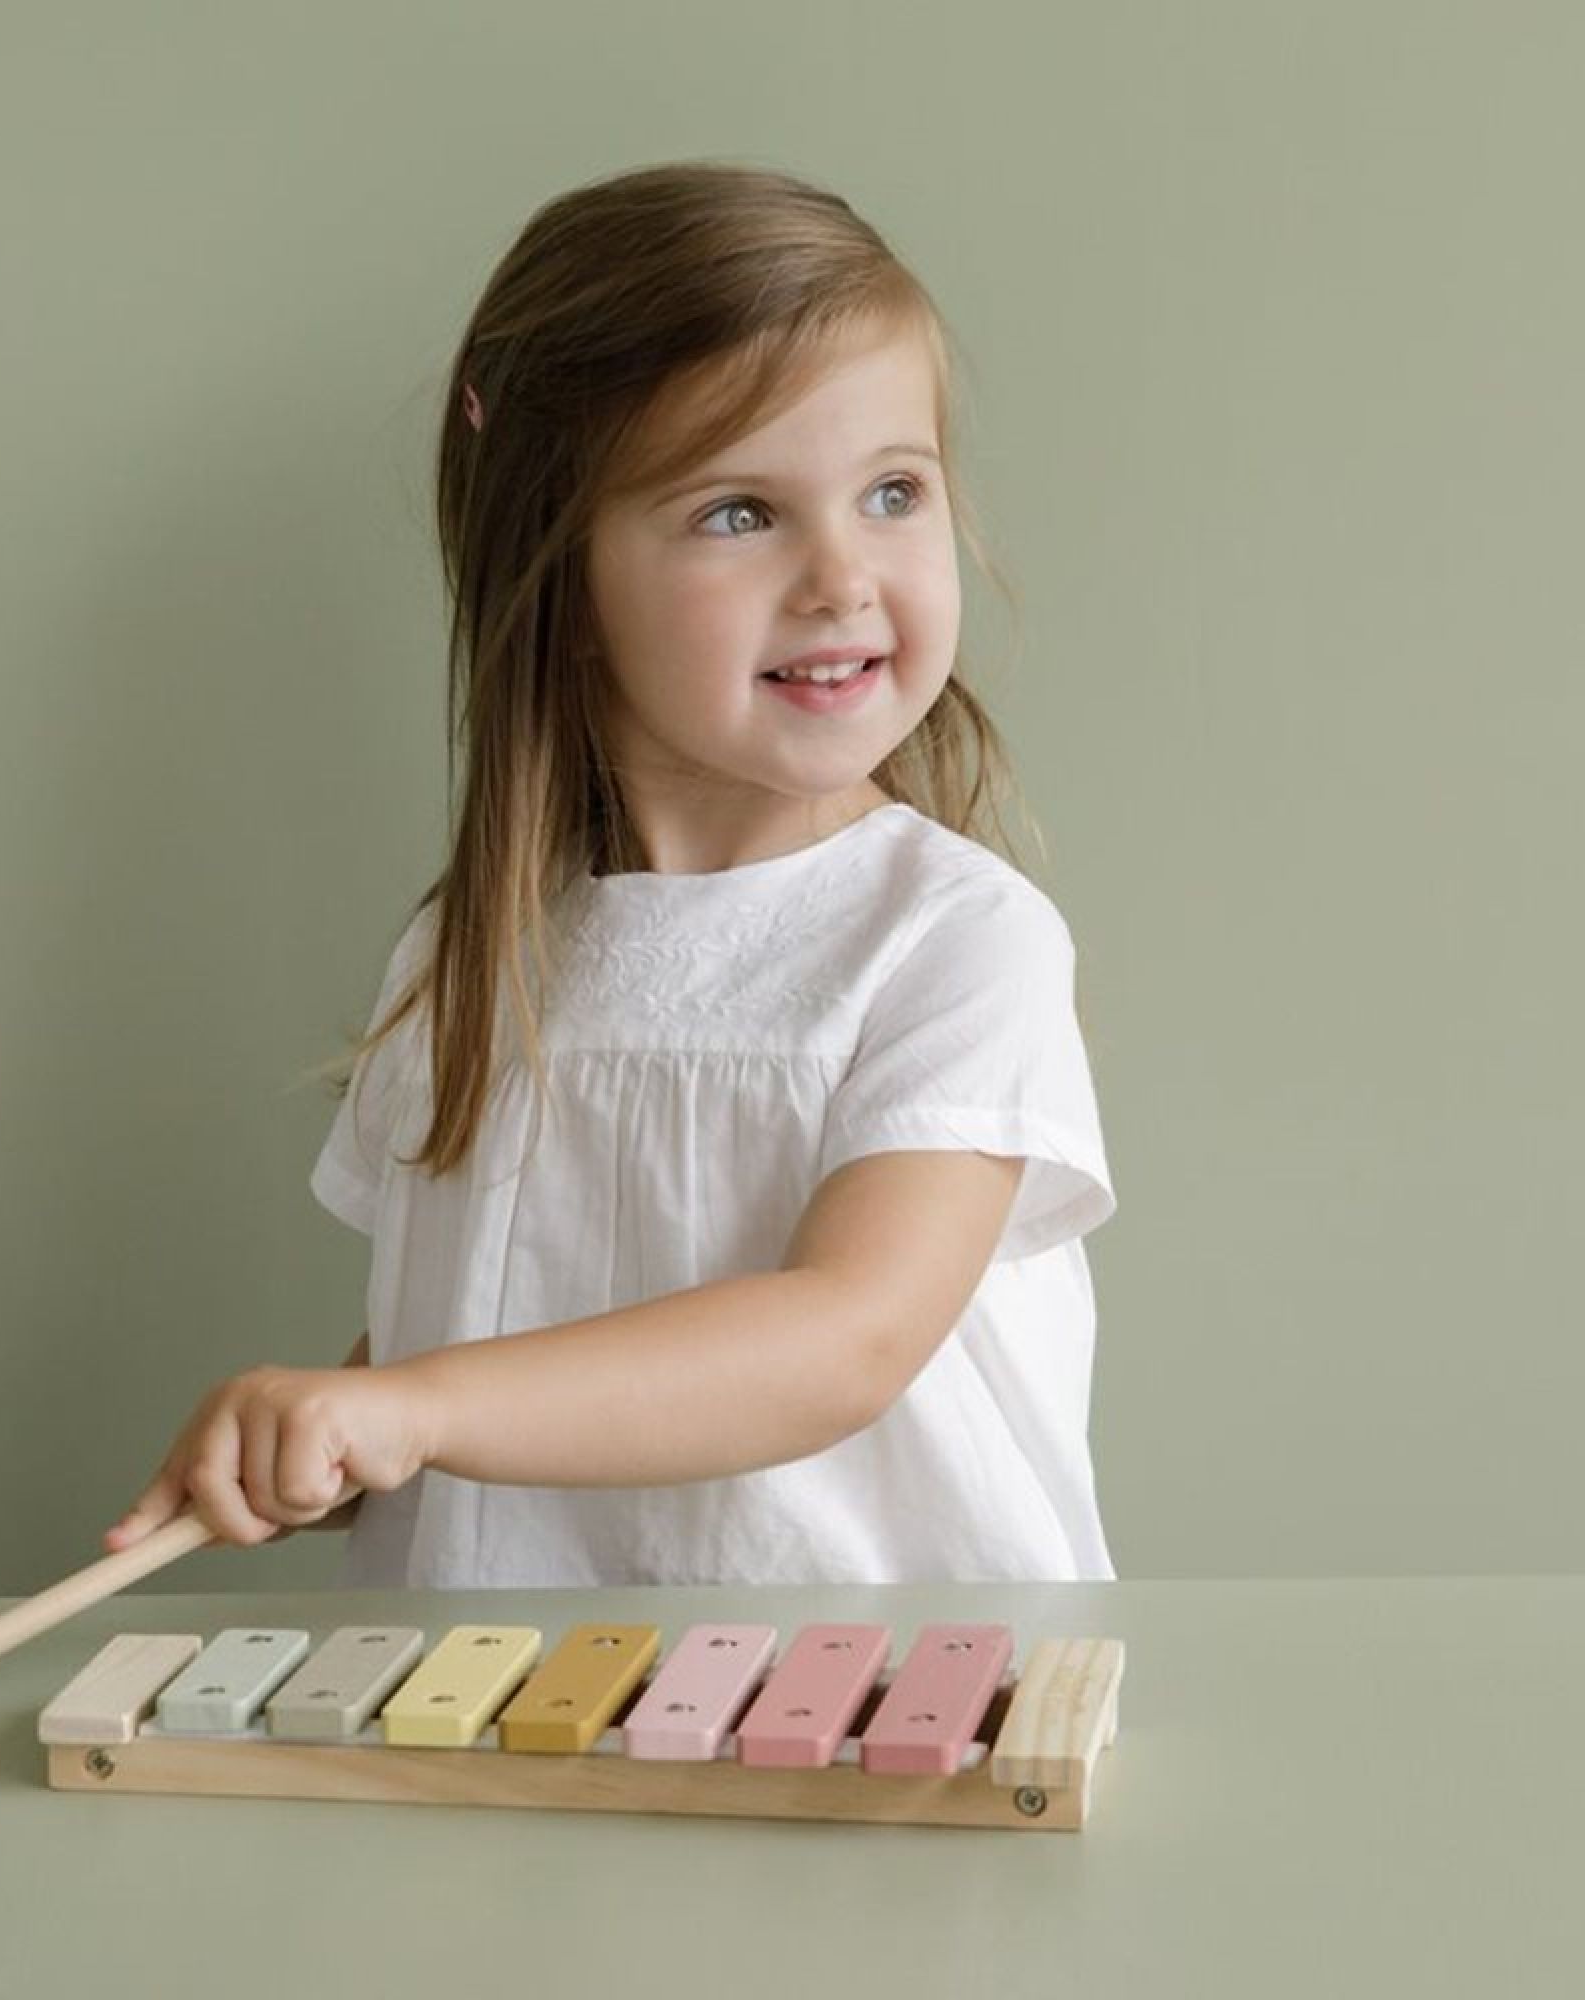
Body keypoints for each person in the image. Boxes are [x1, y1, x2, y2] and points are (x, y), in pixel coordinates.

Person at [104, 159, 1119, 1585]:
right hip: (524, 1709)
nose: (841, 577)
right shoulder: (470, 955)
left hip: (869, 1720)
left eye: (892, 491)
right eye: (739, 513)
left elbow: (850, 1335)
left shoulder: (953, 943)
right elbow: (474, 1329)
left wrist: (411, 1407)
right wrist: (329, 1428)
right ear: (562, 581)